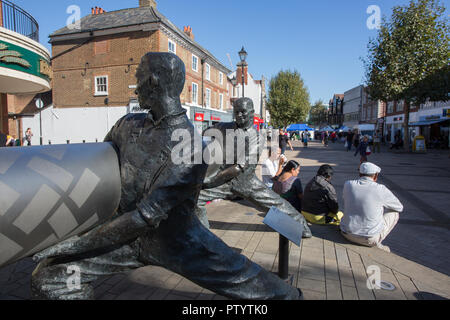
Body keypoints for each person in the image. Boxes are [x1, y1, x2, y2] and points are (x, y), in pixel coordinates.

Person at [31, 52, 302, 300]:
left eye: (138, 77)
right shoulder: (127, 125)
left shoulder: (191, 149)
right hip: (126, 238)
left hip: (176, 241)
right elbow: (98, 168)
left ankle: (290, 296)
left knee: (253, 284)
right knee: (50, 277)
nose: (134, 84)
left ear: (153, 81)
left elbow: (142, 218)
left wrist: (71, 245)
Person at [197, 98, 312, 238]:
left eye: (243, 112)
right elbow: (206, 132)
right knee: (196, 199)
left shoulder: (256, 137)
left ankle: (302, 227)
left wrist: (210, 180)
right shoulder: (223, 127)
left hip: (245, 181)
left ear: (252, 113)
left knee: (273, 203)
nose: (239, 115)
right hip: (224, 180)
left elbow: (240, 167)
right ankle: (203, 236)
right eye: (236, 112)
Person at [340, 162, 403, 252]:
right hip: (368, 239)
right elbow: (399, 207)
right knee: (394, 213)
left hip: (346, 233)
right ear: (375, 176)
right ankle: (377, 242)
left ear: (360, 174)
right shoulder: (380, 189)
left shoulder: (348, 184)